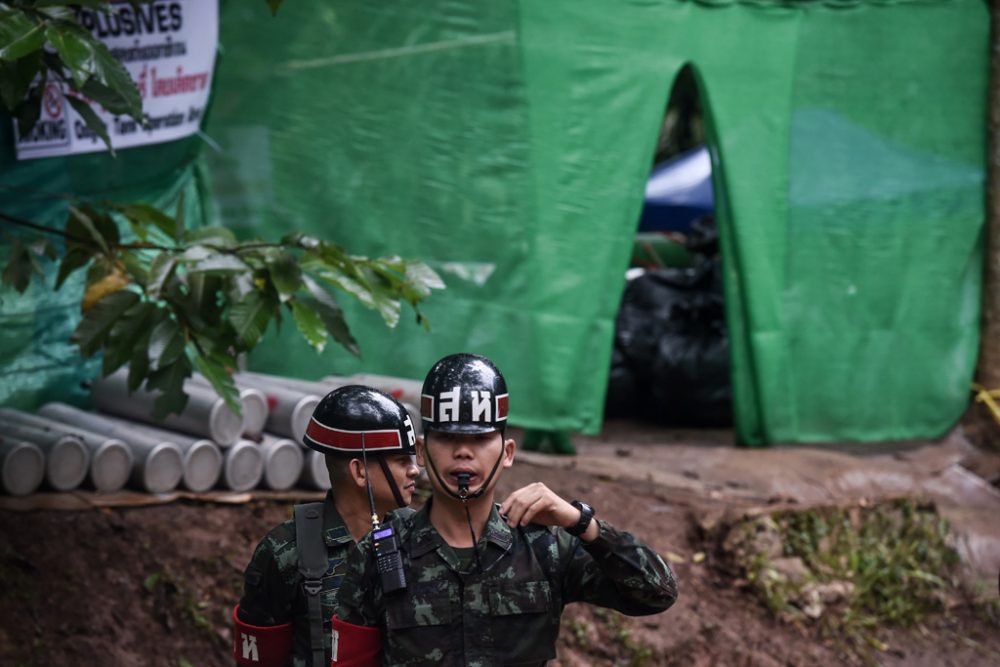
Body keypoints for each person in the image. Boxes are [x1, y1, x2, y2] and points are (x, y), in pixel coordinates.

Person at [332, 353, 678, 666]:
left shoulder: (546, 547)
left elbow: (657, 594)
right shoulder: (382, 553)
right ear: (421, 452)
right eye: (448, 438)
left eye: (481, 439)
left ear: (508, 452)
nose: (464, 453)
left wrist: (582, 522)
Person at [232, 385, 421, 667]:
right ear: (359, 472)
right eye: (401, 460)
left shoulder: (420, 535)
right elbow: (258, 660)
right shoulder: (287, 551)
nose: (415, 470)